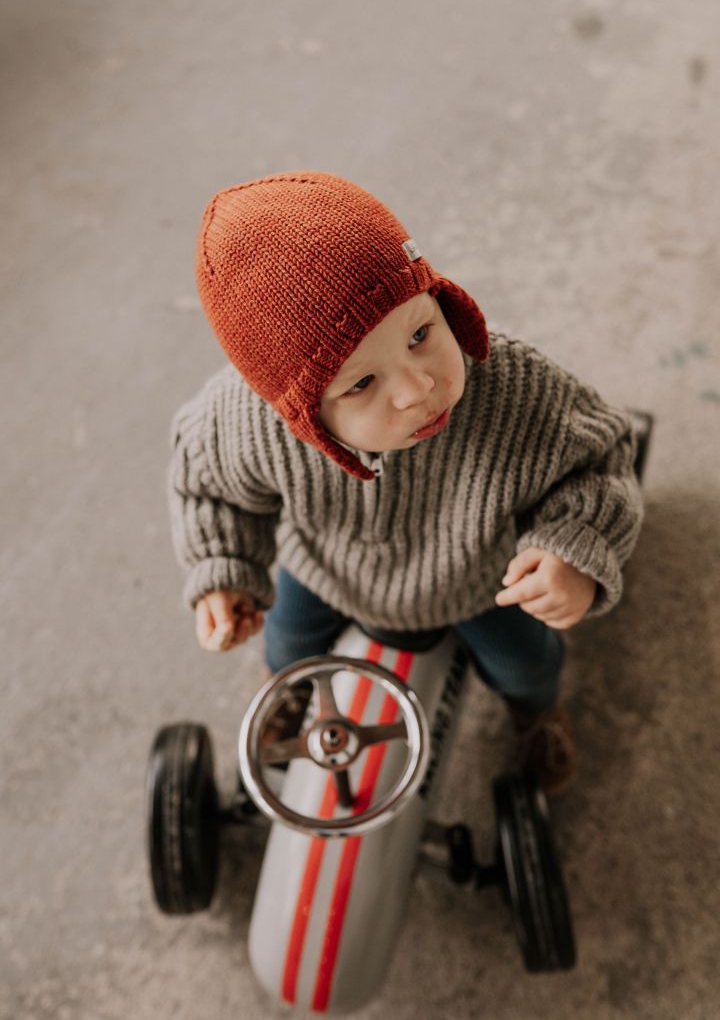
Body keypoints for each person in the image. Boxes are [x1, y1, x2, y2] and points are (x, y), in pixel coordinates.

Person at [167, 171, 644, 796]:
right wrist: (224, 568)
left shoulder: (514, 389)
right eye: (361, 383)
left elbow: (601, 458)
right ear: (297, 414)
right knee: (286, 645)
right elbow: (206, 485)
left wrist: (574, 549)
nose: (417, 387)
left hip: (480, 579)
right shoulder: (245, 425)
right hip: (327, 571)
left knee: (528, 662)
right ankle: (290, 690)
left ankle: (536, 713)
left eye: (421, 333)